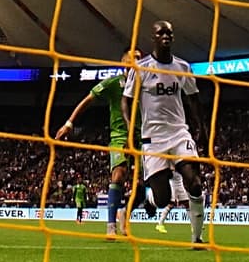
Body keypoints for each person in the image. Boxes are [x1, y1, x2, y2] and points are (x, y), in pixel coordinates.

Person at [123, 19, 208, 248]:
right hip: (153, 139)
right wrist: (131, 129)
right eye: (161, 33)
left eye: (169, 33)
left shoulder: (182, 67)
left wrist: (202, 129)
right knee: (163, 199)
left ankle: (197, 238)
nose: (166, 36)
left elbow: (193, 98)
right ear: (153, 38)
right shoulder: (141, 69)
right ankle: (149, 198)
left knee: (194, 182)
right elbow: (126, 101)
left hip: (180, 133)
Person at [56, 49, 140, 239]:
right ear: (125, 63)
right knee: (118, 175)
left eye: (140, 59)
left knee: (148, 186)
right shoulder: (114, 83)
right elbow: (88, 99)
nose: (138, 61)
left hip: (144, 136)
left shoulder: (147, 83)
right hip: (120, 136)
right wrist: (69, 123)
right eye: (134, 58)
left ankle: (124, 212)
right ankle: (111, 226)